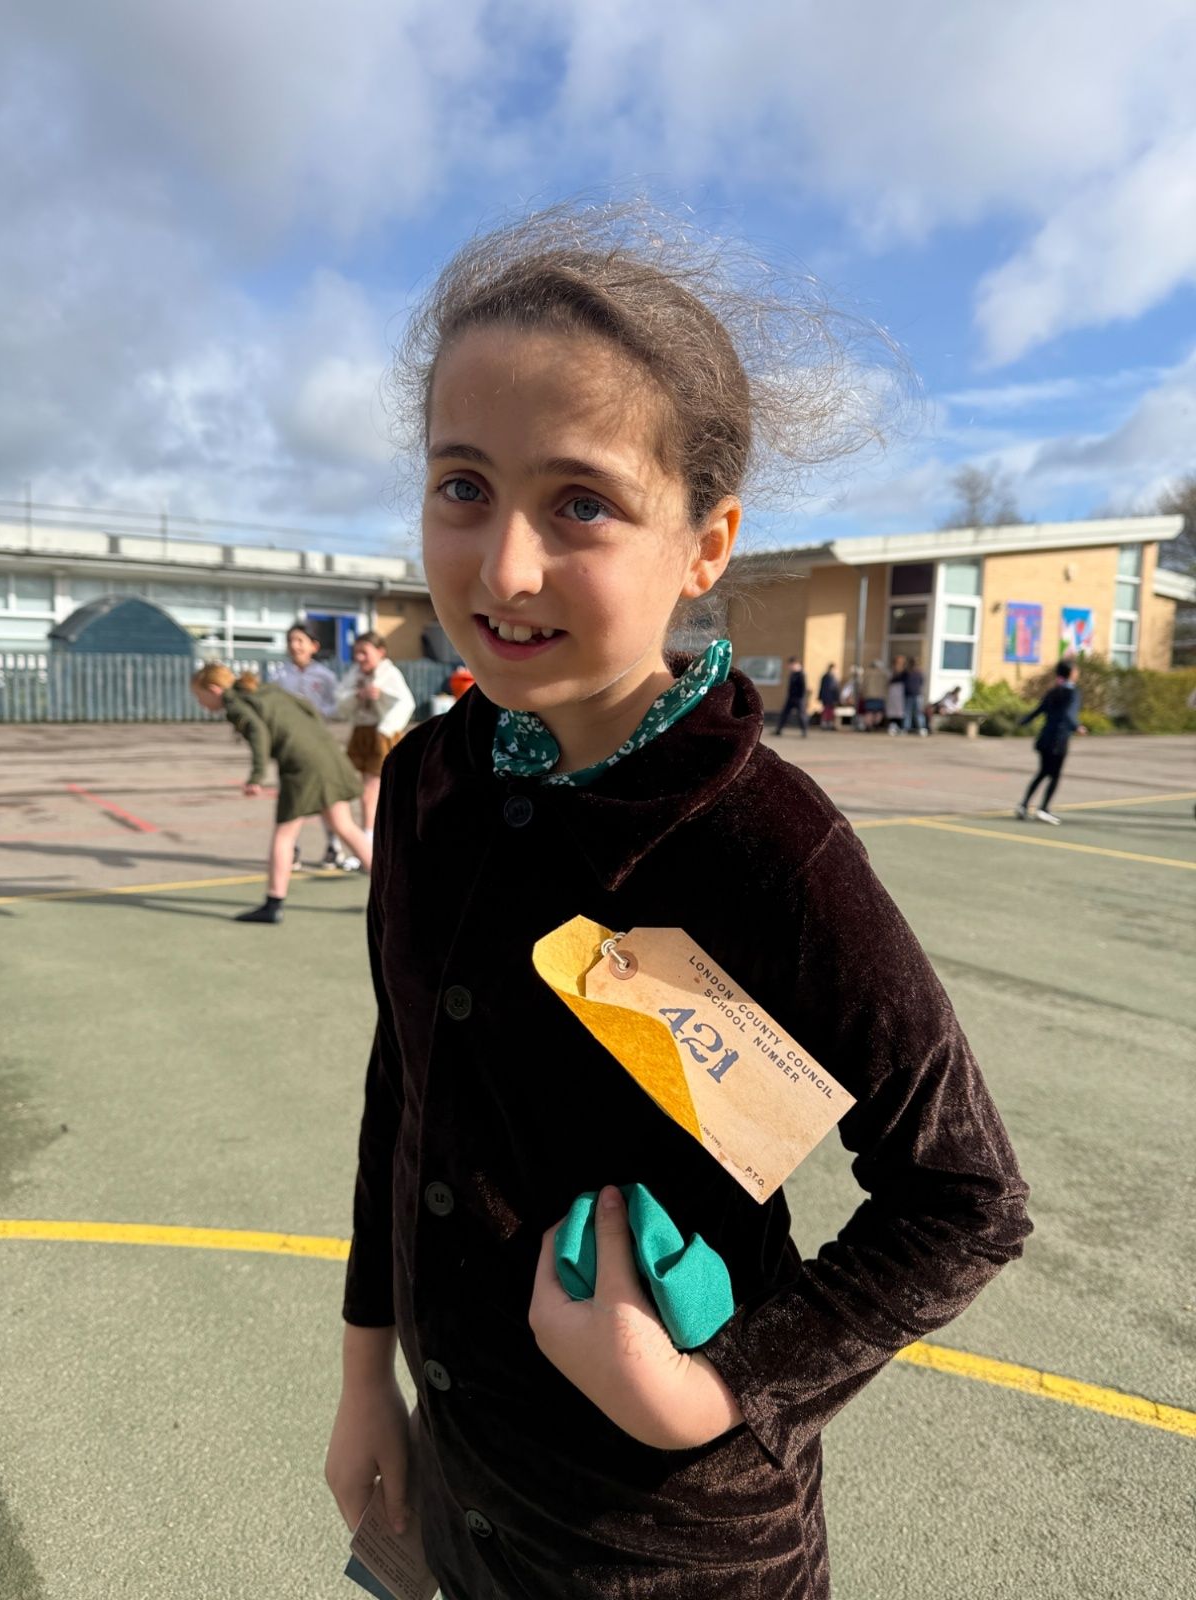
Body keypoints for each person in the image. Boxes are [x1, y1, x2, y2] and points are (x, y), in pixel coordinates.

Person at [323, 208, 1030, 1600]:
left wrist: (718, 1390)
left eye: (580, 503)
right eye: (463, 485)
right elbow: (405, 1083)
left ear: (706, 545)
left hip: (669, 1548)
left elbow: (964, 1194)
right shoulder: (427, 784)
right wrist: (366, 1379)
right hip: (464, 1493)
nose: (504, 566)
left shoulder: (766, 843)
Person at [190, 664, 372, 923]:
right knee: (344, 825)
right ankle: (393, 889)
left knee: (284, 834)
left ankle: (273, 904)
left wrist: (256, 776)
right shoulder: (265, 689)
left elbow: (258, 732)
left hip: (301, 766)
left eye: (200, 697)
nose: (201, 704)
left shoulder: (236, 703)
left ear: (214, 689)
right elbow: (307, 707)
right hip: (327, 753)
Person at [270, 621, 355, 870]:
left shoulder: (325, 676)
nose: (294, 646)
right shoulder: (279, 676)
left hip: (317, 743)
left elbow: (336, 705)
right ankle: (291, 850)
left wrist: (318, 712)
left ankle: (333, 848)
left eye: (300, 641)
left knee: (327, 798)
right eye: (290, 641)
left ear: (314, 646)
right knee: (291, 798)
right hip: (290, 744)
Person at [337, 632, 416, 837]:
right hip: (361, 732)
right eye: (356, 653)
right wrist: (358, 695)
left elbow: (406, 703)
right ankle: (368, 832)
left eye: (364, 652)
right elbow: (340, 702)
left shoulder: (389, 674)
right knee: (359, 783)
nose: (359, 657)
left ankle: (370, 834)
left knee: (372, 787)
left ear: (380, 652)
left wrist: (385, 724)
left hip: (382, 734)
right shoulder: (354, 674)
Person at [1015, 660, 1085, 824]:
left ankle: (1023, 805)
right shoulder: (1072, 693)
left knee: (1043, 772)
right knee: (1054, 775)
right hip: (1058, 740)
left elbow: (1038, 710)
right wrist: (1077, 726)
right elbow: (1068, 714)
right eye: (1076, 670)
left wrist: (1023, 721)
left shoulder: (1054, 691)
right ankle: (1043, 809)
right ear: (1071, 673)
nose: (1077, 672)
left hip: (1045, 738)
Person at [774, 655, 808, 736]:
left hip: (799, 698)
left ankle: (804, 731)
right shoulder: (792, 674)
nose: (789, 667)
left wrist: (801, 698)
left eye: (791, 665)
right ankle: (778, 730)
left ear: (795, 664)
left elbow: (803, 688)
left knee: (801, 715)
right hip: (791, 698)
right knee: (784, 713)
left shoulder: (801, 674)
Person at [861, 658, 888, 730]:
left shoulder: (867, 672)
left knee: (869, 711)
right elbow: (886, 684)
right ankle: (876, 724)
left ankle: (869, 725)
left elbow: (864, 684)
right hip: (880, 695)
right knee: (879, 711)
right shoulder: (883, 673)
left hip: (869, 695)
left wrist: (863, 693)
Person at [902, 657, 927, 735]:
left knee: (915, 712)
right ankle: (907, 728)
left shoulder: (916, 672)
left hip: (915, 695)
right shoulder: (908, 672)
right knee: (910, 712)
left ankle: (920, 728)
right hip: (912, 694)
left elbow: (922, 682)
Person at [885, 654, 906, 734]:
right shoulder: (891, 671)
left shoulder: (904, 672)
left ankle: (899, 726)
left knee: (900, 711)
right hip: (893, 692)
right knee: (892, 710)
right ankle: (892, 725)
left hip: (901, 693)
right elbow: (888, 681)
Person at [817, 661, 840, 729]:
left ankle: (829, 723)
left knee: (830, 711)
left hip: (831, 698)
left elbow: (835, 689)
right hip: (828, 698)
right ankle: (825, 724)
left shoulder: (833, 677)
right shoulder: (828, 677)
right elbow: (824, 687)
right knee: (826, 711)